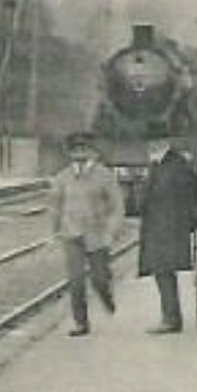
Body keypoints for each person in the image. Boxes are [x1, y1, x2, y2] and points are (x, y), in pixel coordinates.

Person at [49, 131, 126, 337]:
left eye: (84, 150)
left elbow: (117, 205)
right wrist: (55, 230)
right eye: (76, 151)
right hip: (71, 234)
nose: (80, 156)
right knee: (76, 280)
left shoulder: (104, 175)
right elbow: (56, 205)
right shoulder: (62, 177)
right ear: (70, 153)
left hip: (97, 234)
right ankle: (81, 323)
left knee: (99, 279)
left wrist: (112, 230)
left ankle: (106, 295)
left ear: (92, 152)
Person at [137, 134, 197, 334]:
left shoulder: (177, 165)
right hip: (159, 228)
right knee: (162, 272)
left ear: (160, 143)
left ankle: (171, 319)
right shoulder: (160, 164)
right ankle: (170, 316)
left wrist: (191, 221)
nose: (149, 147)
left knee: (164, 271)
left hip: (169, 228)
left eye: (152, 142)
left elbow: (195, 195)